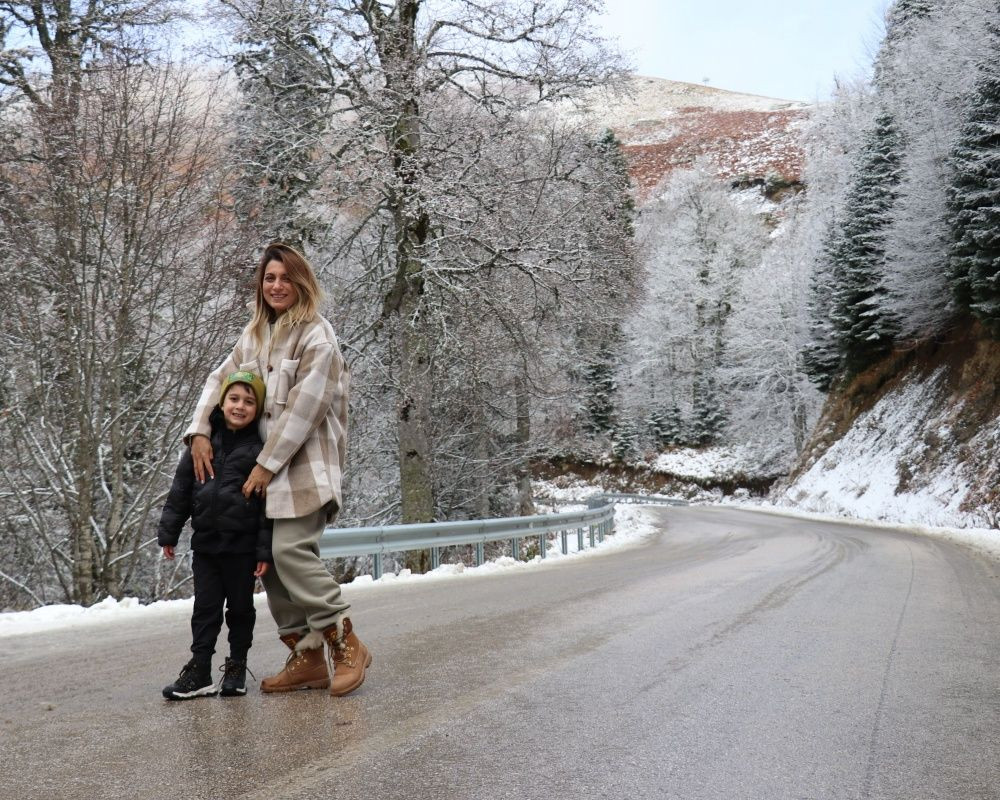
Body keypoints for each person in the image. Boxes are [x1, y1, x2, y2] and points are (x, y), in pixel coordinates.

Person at [184, 242, 370, 698]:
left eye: (286, 277)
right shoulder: (255, 335)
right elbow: (219, 379)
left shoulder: (317, 338)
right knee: (266, 567)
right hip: (260, 474)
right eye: (269, 278)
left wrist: (266, 464)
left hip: (303, 469)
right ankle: (306, 656)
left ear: (302, 282)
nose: (277, 286)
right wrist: (200, 430)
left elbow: (305, 411)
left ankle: (346, 643)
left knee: (289, 552)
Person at [159, 371, 273, 701]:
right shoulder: (201, 446)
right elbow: (180, 491)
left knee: (239, 609)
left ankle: (236, 666)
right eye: (234, 399)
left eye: (249, 401)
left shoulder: (260, 452)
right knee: (205, 609)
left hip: (242, 547)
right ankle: (200, 670)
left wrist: (264, 552)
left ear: (258, 409)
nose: (240, 406)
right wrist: (169, 532)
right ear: (221, 403)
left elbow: (268, 507)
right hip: (206, 545)